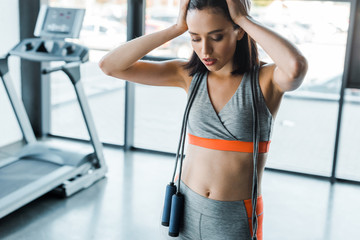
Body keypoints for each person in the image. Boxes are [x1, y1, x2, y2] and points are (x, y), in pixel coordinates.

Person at [99, 0, 308, 239]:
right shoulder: (187, 75)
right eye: (195, 38)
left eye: (216, 37)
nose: (205, 51)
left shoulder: (265, 79)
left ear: (239, 32)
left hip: (233, 215)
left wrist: (244, 19)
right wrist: (176, 28)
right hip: (186, 204)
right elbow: (110, 66)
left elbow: (295, 67)